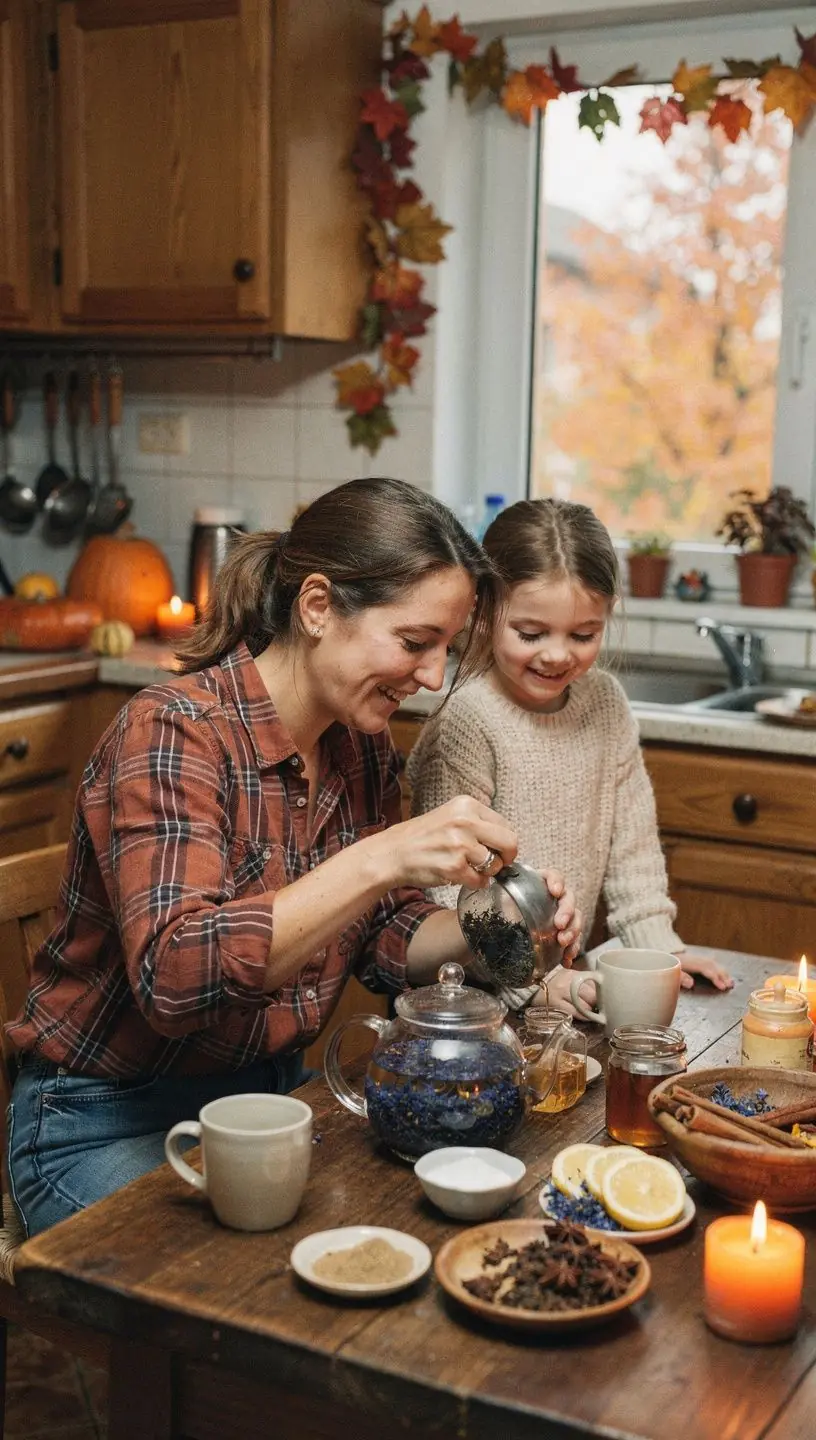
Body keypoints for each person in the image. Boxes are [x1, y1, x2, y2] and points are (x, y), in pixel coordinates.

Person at [6, 477, 581, 1237]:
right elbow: (177, 979)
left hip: (270, 1102)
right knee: (273, 1296)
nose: (434, 677)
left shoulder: (360, 746)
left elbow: (382, 933)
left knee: (431, 1225)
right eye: (414, 643)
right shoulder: (173, 733)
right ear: (317, 607)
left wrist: (501, 924)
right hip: (103, 1122)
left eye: (447, 649)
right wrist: (382, 856)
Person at [407, 496, 732, 1016]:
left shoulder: (604, 704)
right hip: (467, 1002)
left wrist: (660, 950)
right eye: (531, 634)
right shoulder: (469, 719)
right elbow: (447, 895)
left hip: (555, 987)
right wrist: (532, 983)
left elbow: (634, 848)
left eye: (583, 635)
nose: (558, 654)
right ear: (485, 612)